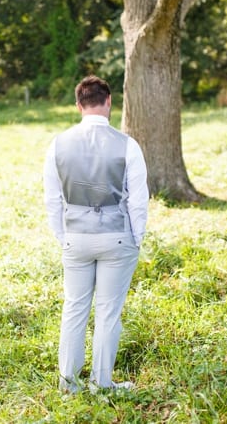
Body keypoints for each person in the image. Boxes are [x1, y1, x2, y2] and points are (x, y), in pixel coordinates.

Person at [44, 75, 149, 393]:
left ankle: (69, 383)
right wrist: (137, 237)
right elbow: (138, 199)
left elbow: (52, 198)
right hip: (117, 236)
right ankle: (101, 383)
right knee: (107, 313)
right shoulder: (128, 145)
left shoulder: (58, 144)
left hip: (75, 236)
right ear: (109, 102)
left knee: (74, 308)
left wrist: (63, 236)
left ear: (78, 106)